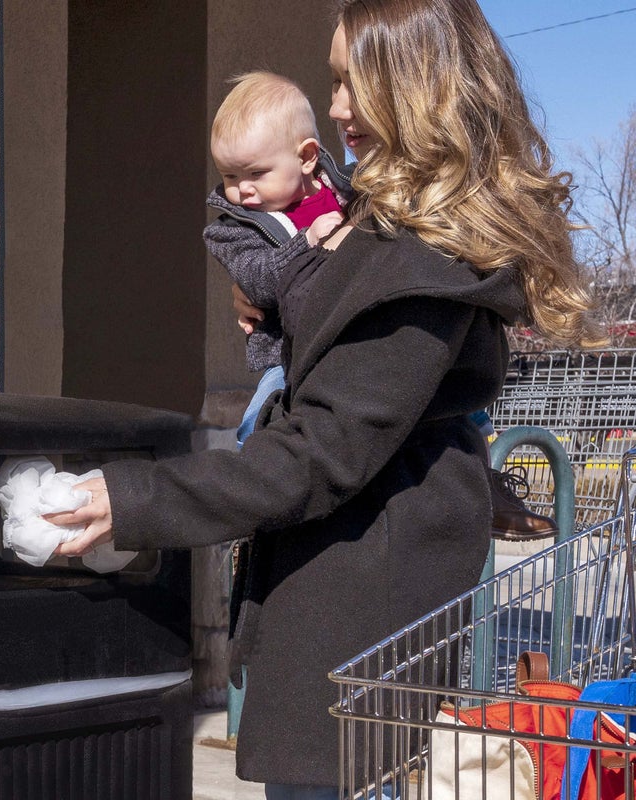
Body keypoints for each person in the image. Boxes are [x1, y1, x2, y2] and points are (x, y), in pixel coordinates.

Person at [49, 1, 603, 797]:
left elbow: (321, 449)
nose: (337, 104)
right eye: (335, 81)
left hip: (354, 624)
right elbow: (411, 409)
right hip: (359, 604)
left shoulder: (419, 262)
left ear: (415, 86)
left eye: (353, 81)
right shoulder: (381, 226)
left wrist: (135, 498)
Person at [203, 71, 353, 446]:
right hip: (288, 354)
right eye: (230, 175)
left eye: (256, 173)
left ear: (306, 157)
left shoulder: (350, 190)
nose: (243, 189)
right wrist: (305, 242)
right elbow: (254, 279)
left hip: (351, 338)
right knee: (260, 420)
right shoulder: (232, 229)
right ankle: (249, 473)